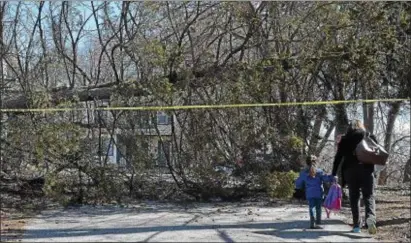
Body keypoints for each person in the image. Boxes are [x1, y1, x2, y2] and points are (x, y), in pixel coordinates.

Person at [332, 119, 378, 234]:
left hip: (350, 171)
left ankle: (356, 225)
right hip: (367, 170)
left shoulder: (344, 139)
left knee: (354, 197)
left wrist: (333, 173)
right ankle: (370, 218)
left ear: (349, 128)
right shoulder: (368, 136)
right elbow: (377, 151)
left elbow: (338, 158)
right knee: (369, 196)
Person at [295, 155, 334, 229]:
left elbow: (298, 183)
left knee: (311, 207)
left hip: (309, 193)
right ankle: (318, 222)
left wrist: (297, 185)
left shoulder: (304, 173)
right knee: (318, 207)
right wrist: (332, 177)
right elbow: (326, 179)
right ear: (316, 162)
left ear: (307, 163)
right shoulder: (319, 172)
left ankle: (312, 222)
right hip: (319, 193)